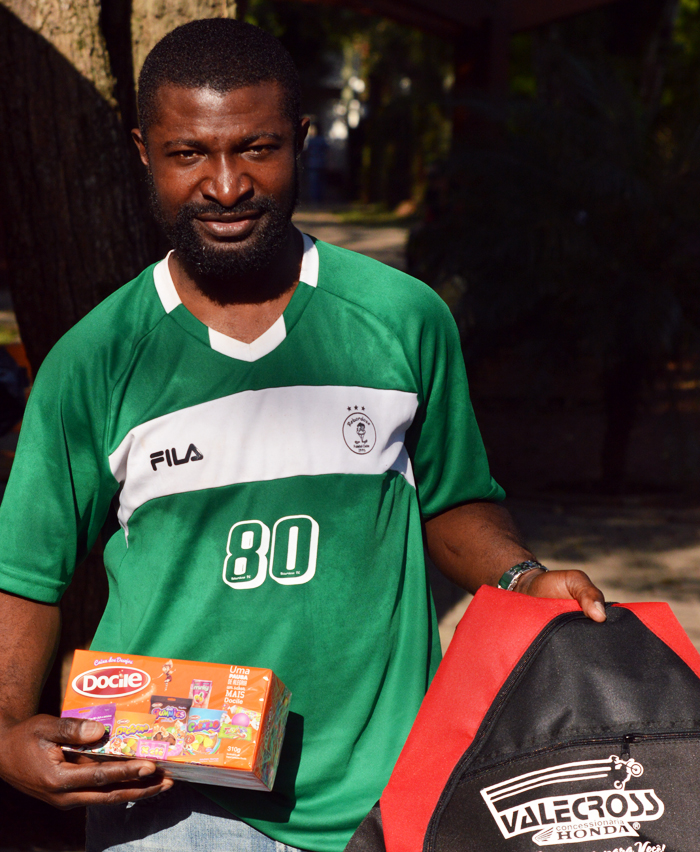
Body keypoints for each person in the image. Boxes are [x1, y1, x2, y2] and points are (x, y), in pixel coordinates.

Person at [0, 19, 606, 852]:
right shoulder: (94, 361)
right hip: (168, 801)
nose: (224, 185)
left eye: (257, 148)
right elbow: (26, 574)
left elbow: (455, 501)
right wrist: (3, 732)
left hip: (386, 789)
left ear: (301, 139)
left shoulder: (402, 319)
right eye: (188, 155)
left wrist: (523, 576)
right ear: (144, 150)